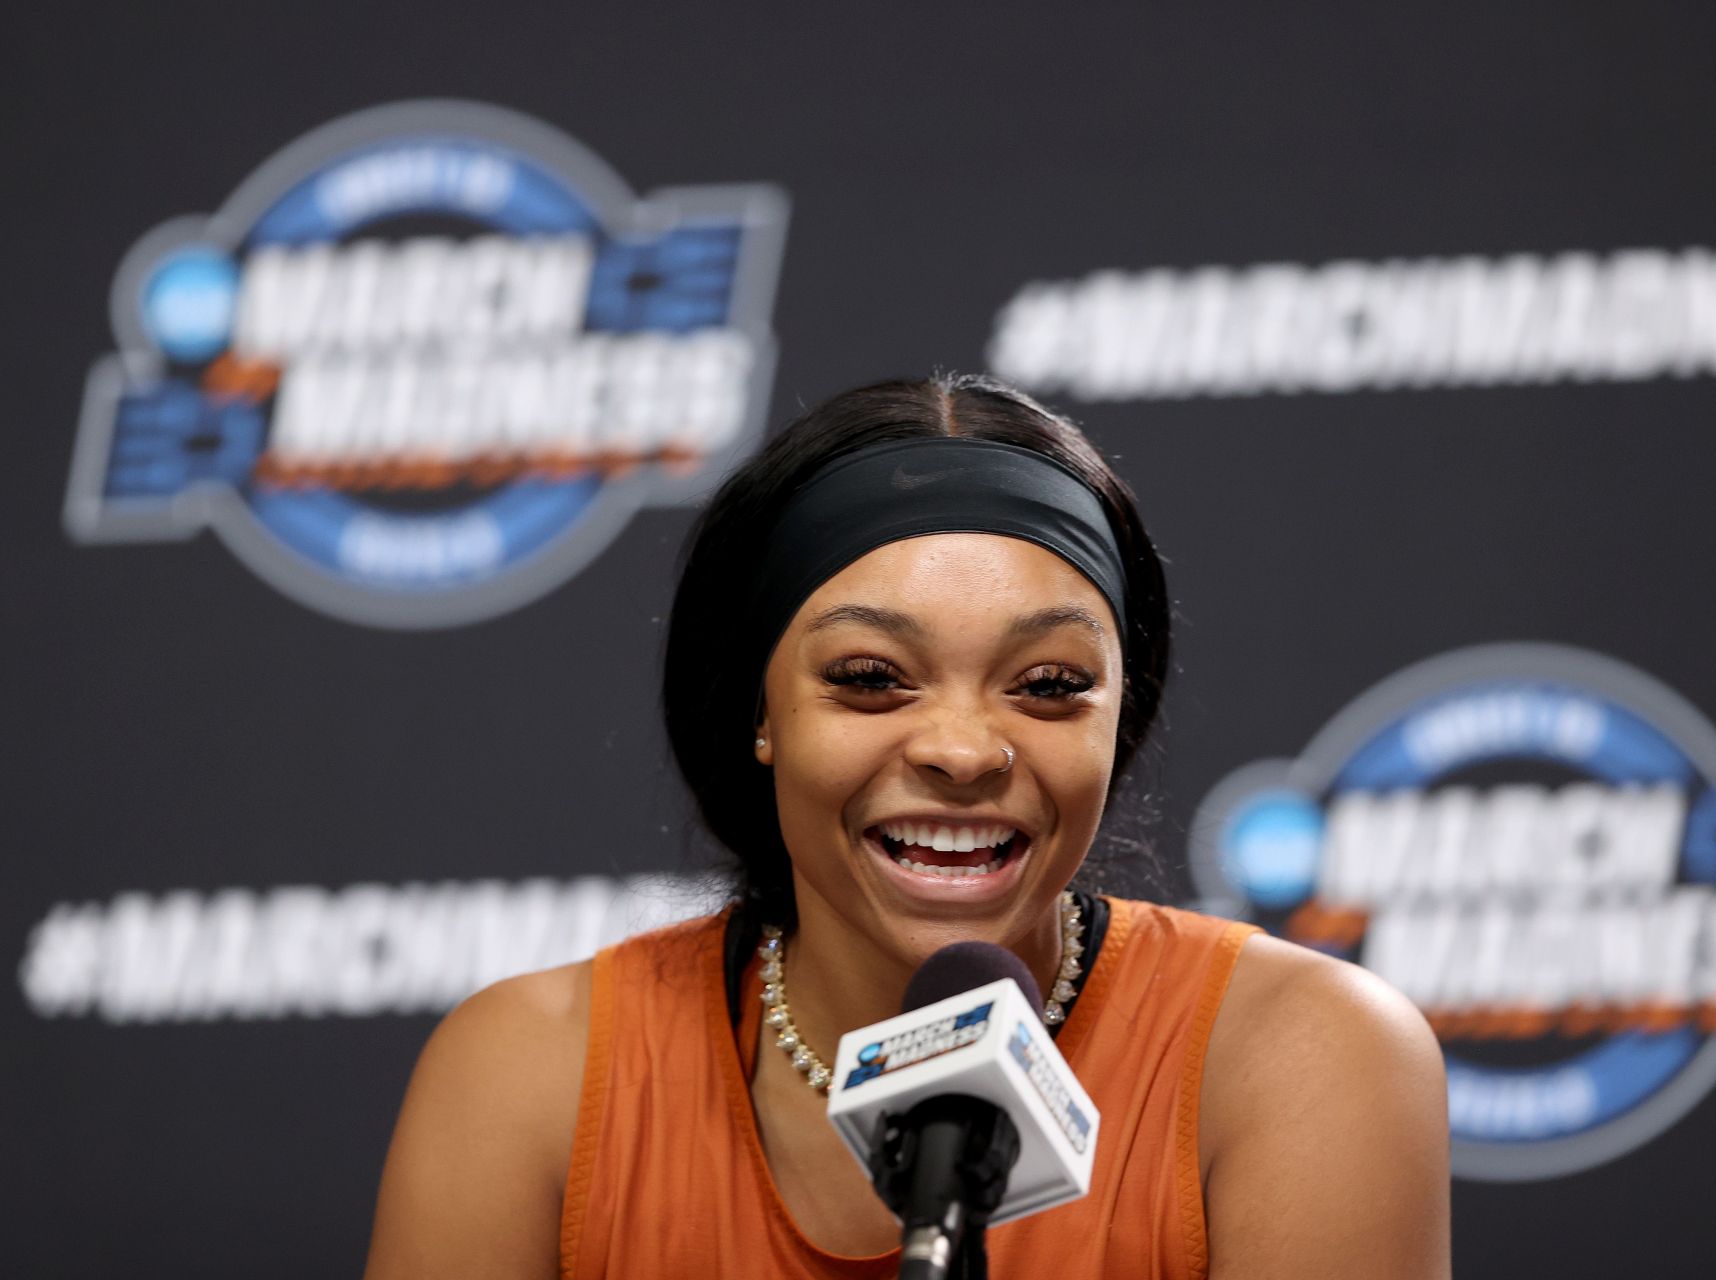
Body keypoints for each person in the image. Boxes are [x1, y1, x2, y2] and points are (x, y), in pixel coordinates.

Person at [363, 374, 1451, 1279]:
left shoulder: (1300, 1056)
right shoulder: (529, 1077)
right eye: (873, 678)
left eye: (1050, 682)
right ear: (760, 711)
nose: (966, 751)